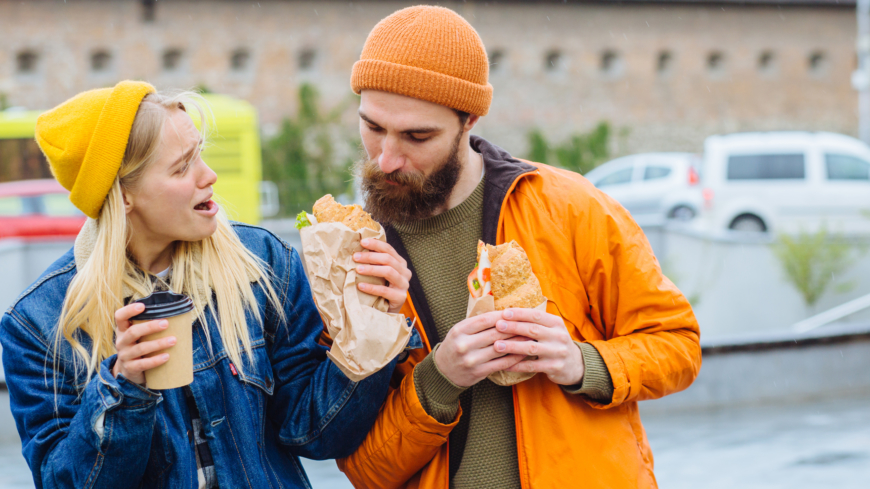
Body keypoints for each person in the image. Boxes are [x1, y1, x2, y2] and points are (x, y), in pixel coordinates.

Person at [336, 6, 702, 488]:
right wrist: (438, 379)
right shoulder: (348, 255)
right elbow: (365, 469)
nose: (386, 158)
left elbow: (677, 345)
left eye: (417, 136)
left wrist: (581, 363)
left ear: (469, 119)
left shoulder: (571, 207)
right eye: (373, 127)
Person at [0, 81, 412, 489]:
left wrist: (370, 324)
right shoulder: (38, 321)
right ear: (123, 194)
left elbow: (316, 434)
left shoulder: (262, 263)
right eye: (182, 166)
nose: (209, 175)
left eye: (201, 154)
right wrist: (124, 387)